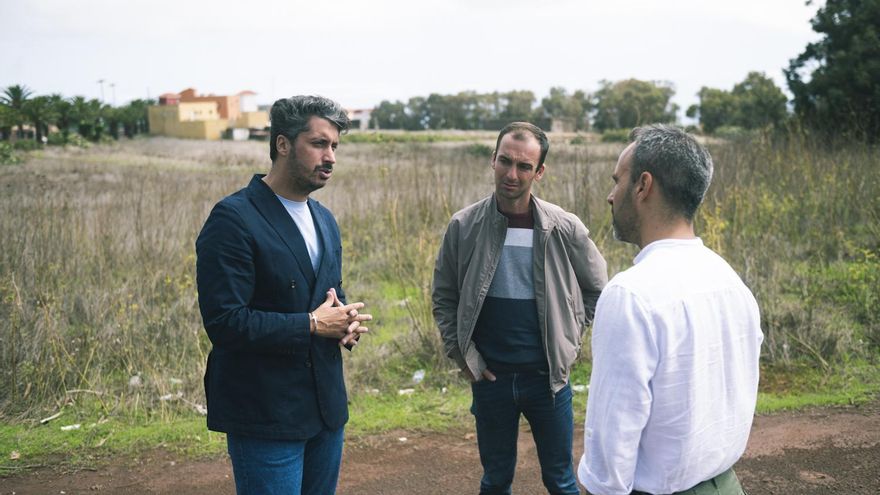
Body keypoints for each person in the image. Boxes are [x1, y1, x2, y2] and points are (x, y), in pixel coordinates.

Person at [196, 95, 372, 495]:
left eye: (335, 147)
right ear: (282, 144)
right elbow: (225, 323)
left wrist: (344, 322)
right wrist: (312, 324)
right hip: (265, 413)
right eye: (319, 144)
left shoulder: (324, 219)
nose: (330, 157)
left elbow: (328, 296)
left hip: (325, 410)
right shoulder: (233, 219)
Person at [578, 125, 763, 495]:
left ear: (643, 186)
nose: (610, 195)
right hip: (727, 485)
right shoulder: (731, 282)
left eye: (617, 181)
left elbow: (609, 459)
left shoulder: (630, 295)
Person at [433, 122, 608, 494]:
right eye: (505, 162)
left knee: (560, 480)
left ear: (539, 171)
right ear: (492, 160)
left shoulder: (564, 228)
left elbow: (597, 291)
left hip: (548, 381)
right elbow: (444, 297)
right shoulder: (464, 225)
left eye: (524, 166)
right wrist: (465, 356)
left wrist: (570, 341)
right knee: (495, 481)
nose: (512, 174)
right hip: (491, 379)